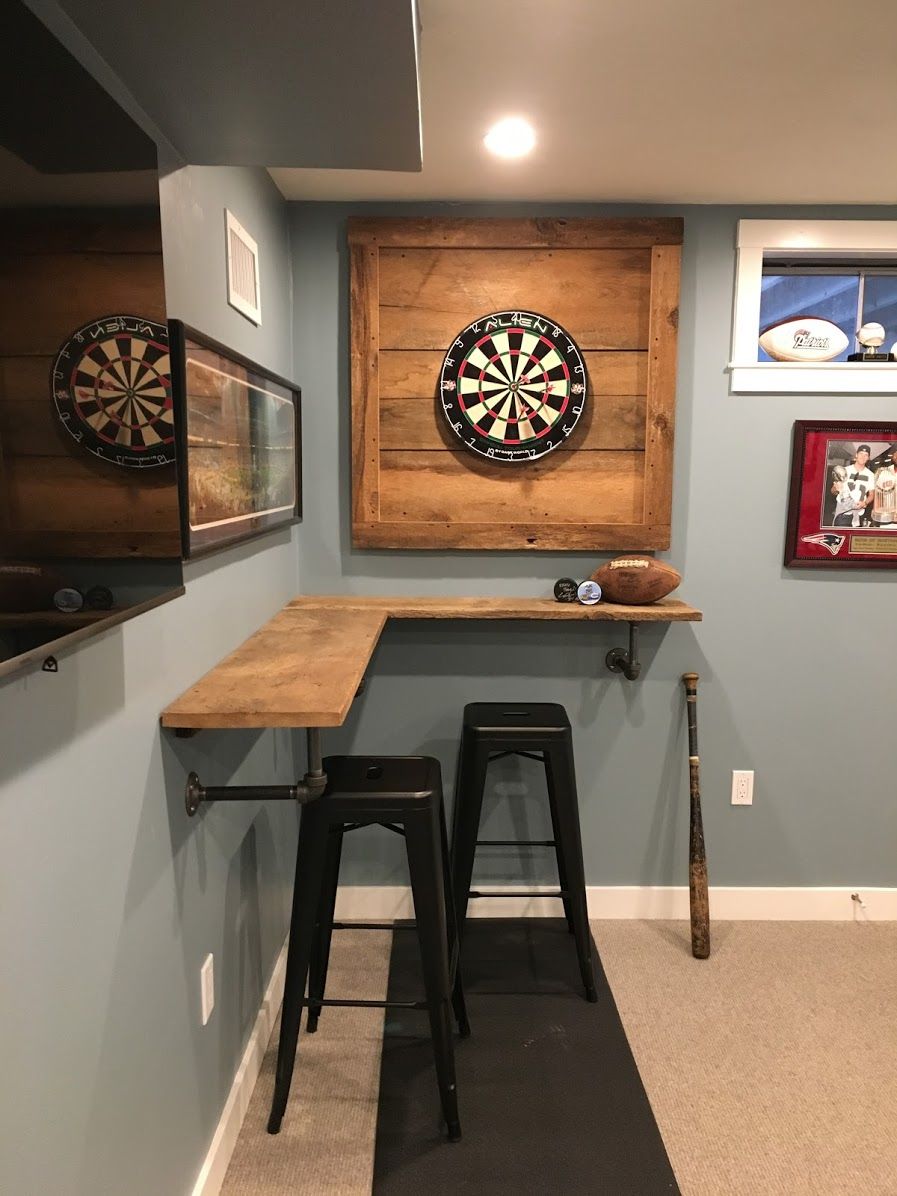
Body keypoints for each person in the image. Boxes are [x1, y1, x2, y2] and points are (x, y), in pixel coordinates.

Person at [830, 444, 875, 528]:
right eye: (861, 453)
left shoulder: (871, 475)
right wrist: (836, 489)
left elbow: (872, 495)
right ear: (856, 455)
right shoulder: (845, 470)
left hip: (860, 513)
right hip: (844, 512)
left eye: (866, 455)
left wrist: (865, 503)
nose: (863, 457)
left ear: (868, 458)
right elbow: (832, 491)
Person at [871, 444, 897, 526]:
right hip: (885, 516)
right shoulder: (883, 472)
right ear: (892, 456)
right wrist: (876, 510)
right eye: (896, 454)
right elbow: (876, 493)